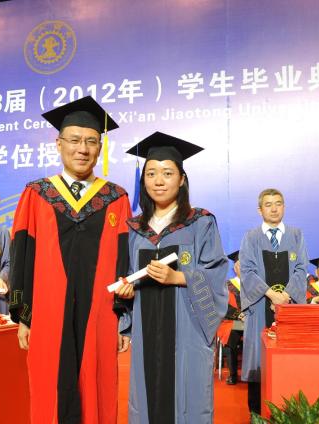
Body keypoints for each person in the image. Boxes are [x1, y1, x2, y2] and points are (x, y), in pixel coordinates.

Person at [9, 96, 131, 424]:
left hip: (100, 313)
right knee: (49, 385)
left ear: (100, 148)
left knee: (97, 384)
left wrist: (123, 317)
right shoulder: (37, 194)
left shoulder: (115, 198)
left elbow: (125, 261)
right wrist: (23, 315)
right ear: (58, 143)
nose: (83, 149)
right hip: (47, 313)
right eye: (75, 140)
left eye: (91, 141)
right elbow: (21, 256)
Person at [115, 132, 228, 424]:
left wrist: (178, 276)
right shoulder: (133, 229)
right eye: (151, 173)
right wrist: (125, 294)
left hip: (188, 332)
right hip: (145, 332)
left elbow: (216, 274)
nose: (159, 181)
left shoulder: (200, 222)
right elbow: (125, 276)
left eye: (167, 173)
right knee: (146, 399)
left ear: (182, 179)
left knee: (188, 400)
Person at [239, 188, 308, 415]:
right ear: (260, 210)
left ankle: (289, 413)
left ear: (284, 207)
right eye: (268, 204)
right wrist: (272, 294)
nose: (274, 208)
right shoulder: (251, 237)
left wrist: (285, 296)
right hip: (260, 307)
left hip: (289, 308)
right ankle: (256, 414)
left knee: (289, 361)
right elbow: (247, 271)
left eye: (278, 203)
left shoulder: (296, 235)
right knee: (258, 360)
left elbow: (301, 268)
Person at [216, 250, 244, 385]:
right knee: (231, 335)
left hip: (251, 322)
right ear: (235, 268)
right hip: (232, 322)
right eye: (239, 265)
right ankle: (233, 374)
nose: (242, 268)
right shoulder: (227, 285)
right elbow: (221, 305)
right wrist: (239, 314)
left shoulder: (254, 285)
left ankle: (256, 373)